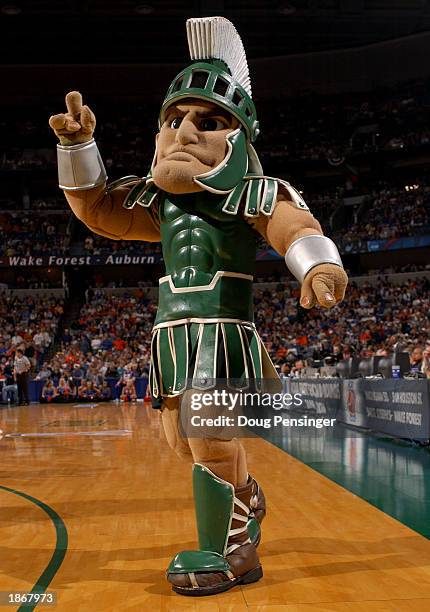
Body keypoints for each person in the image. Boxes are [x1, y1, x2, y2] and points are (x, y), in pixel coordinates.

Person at [49, 16, 347, 596]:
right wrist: (77, 145)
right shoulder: (158, 199)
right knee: (181, 441)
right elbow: (99, 210)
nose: (183, 131)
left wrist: (318, 264)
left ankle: (225, 552)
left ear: (241, 135)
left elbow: (291, 224)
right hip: (171, 331)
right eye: (174, 119)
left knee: (209, 436)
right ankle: (246, 498)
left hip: (223, 326)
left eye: (207, 121)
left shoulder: (254, 190)